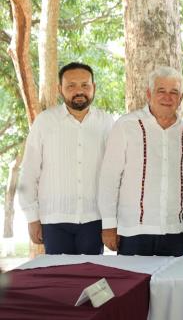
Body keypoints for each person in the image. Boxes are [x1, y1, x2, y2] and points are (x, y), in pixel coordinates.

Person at [18, 62, 114, 254]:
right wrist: (32, 218)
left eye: (85, 85)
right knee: (59, 280)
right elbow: (29, 172)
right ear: (60, 89)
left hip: (94, 219)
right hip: (53, 221)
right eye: (71, 86)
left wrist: (112, 221)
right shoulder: (45, 122)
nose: (79, 91)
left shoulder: (106, 123)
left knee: (91, 280)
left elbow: (114, 174)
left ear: (93, 88)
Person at [98, 66, 183, 256]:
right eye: (161, 91)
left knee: (173, 286)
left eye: (174, 92)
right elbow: (109, 177)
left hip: (176, 231)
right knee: (134, 285)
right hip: (134, 230)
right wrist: (109, 225)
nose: (167, 97)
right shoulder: (126, 125)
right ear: (149, 94)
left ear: (180, 98)